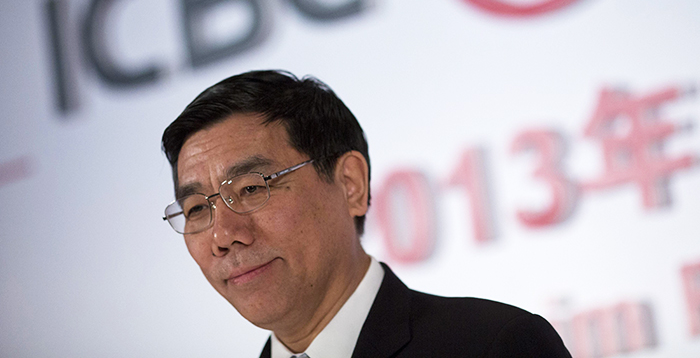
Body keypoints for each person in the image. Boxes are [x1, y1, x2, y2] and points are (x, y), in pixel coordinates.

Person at [161, 70, 572, 357]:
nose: (223, 236)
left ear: (350, 184)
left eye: (251, 188)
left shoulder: (494, 345)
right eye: (197, 209)